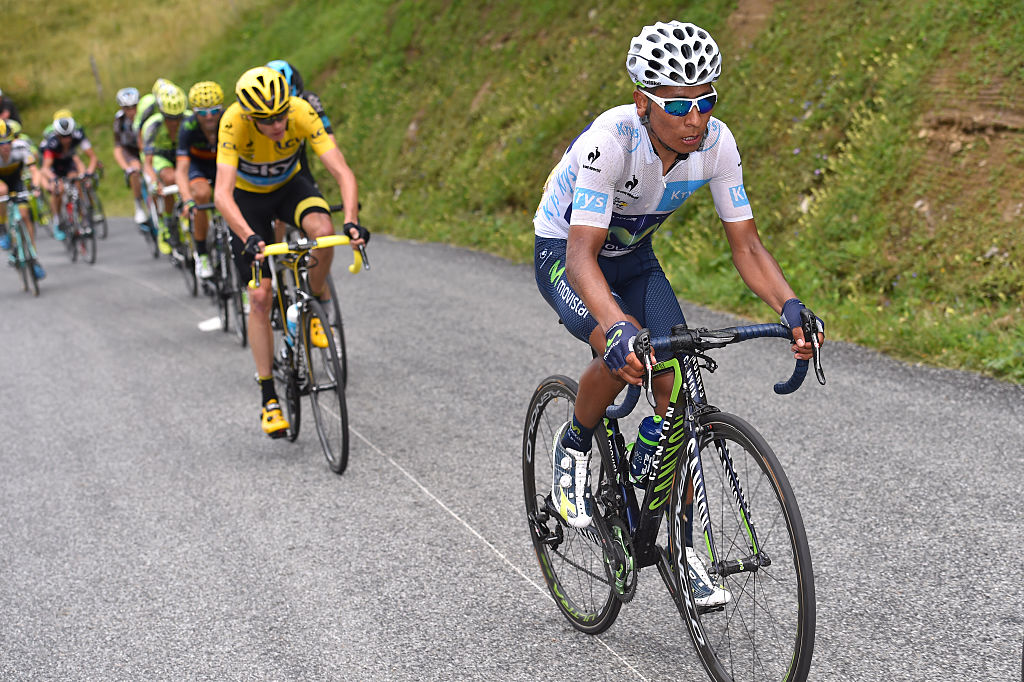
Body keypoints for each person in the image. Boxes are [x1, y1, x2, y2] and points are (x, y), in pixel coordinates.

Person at [533, 21, 824, 606]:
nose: (696, 119)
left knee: (678, 395)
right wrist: (615, 329)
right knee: (627, 353)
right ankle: (575, 444)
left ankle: (686, 550)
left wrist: (789, 305)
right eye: (679, 105)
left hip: (635, 257)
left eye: (706, 101)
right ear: (644, 102)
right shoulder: (609, 143)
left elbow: (746, 245)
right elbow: (583, 255)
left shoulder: (716, 146)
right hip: (569, 254)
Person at [214, 66, 367, 438]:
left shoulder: (300, 110)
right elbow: (222, 193)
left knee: (323, 231)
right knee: (261, 295)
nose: (280, 124)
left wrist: (351, 221)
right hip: (248, 202)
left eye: (283, 114)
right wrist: (249, 236)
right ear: (251, 116)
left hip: (290, 187)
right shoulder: (233, 122)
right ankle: (268, 396)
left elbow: (342, 173)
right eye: (268, 120)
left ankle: (313, 303)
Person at [265, 59, 337, 241]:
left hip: (297, 155)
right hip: (269, 159)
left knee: (312, 209)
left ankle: (314, 254)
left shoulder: (309, 100)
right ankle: (276, 259)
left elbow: (329, 139)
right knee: (277, 217)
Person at [175, 81, 224, 278]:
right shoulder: (188, 127)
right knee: (202, 195)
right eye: (203, 113)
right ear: (195, 113)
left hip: (223, 164)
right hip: (198, 166)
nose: (210, 117)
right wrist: (188, 199)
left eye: (214, 110)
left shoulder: (229, 120)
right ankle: (202, 253)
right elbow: (181, 170)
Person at [141, 83, 189, 254]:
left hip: (182, 154)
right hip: (161, 157)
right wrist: (154, 181)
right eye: (169, 118)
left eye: (179, 118)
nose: (174, 123)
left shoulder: (190, 120)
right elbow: (147, 163)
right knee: (170, 179)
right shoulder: (152, 126)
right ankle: (167, 221)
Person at [39, 115, 98, 240]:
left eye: (69, 136)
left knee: (78, 181)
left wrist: (88, 172)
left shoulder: (78, 136)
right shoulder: (51, 143)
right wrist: (53, 178)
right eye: (63, 137)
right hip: (54, 166)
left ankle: (83, 215)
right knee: (58, 189)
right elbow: (45, 168)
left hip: (68, 163)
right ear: (57, 135)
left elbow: (92, 157)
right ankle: (57, 220)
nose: (67, 140)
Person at [0, 120, 44, 279]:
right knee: (2, 190)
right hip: (1, 183)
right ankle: (2, 228)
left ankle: (33, 257)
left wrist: (36, 186)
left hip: (16, 181)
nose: (5, 146)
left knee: (25, 216)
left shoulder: (21, 147)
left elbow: (34, 170)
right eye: (1, 143)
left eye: (8, 142)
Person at [111, 87, 149, 225]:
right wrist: (125, 167)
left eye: (134, 107)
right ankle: (138, 205)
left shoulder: (146, 115)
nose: (131, 111)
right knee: (134, 170)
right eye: (127, 108)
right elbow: (118, 147)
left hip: (147, 148)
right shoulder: (119, 120)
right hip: (131, 151)